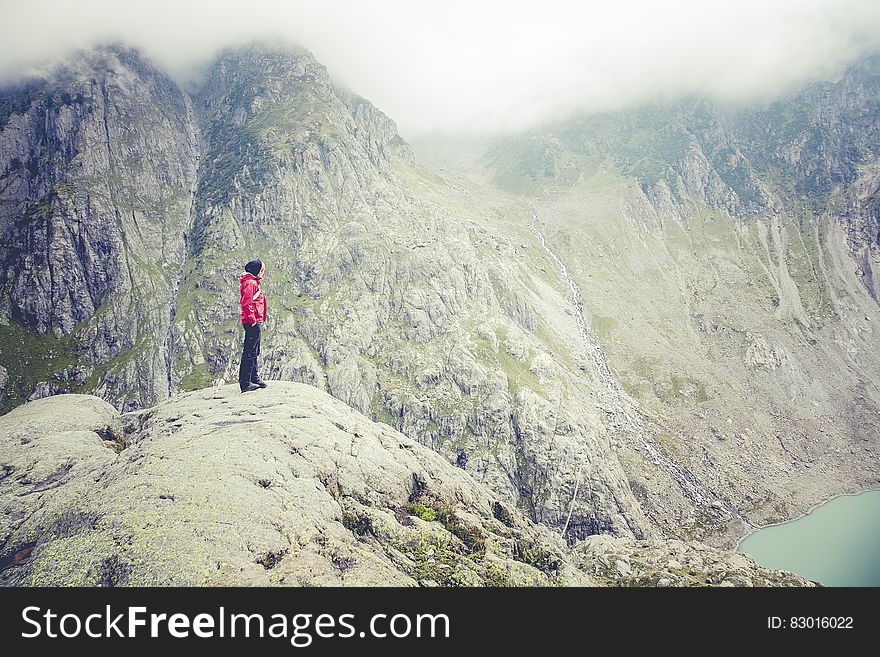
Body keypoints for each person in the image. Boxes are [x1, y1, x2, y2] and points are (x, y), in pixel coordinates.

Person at [238, 259, 268, 392]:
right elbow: (247, 304)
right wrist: (253, 320)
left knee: (254, 350)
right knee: (250, 351)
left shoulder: (252, 282)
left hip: (255, 320)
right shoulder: (250, 283)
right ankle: (245, 383)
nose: (263, 273)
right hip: (252, 322)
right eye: (262, 270)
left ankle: (254, 378)